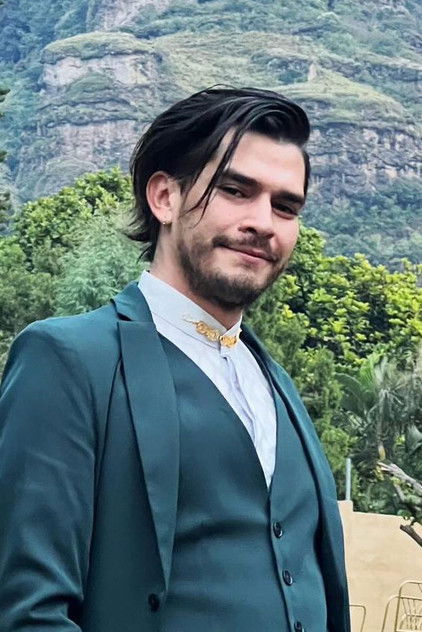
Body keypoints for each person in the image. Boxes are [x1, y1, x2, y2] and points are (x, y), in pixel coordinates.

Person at [0, 87, 350, 632]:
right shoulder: (68, 359)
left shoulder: (277, 383)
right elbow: (29, 611)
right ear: (164, 197)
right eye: (235, 190)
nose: (264, 222)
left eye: (286, 207)